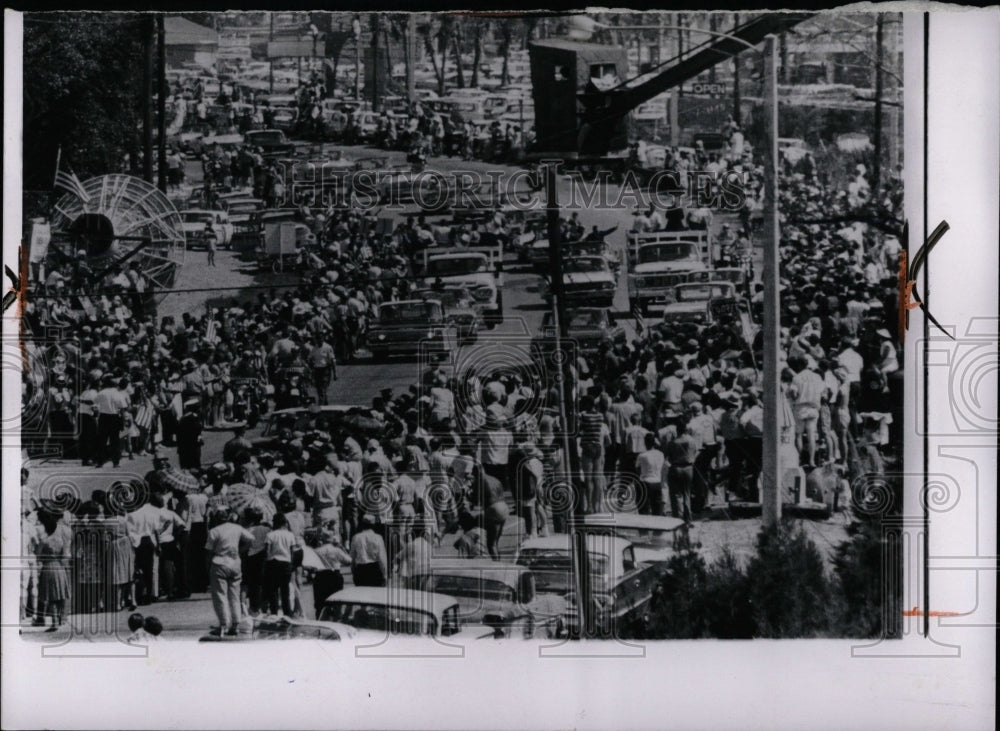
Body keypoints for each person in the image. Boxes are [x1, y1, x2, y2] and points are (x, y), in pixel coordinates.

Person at [204, 509, 252, 636]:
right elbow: (251, 539)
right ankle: (236, 623)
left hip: (219, 562)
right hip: (235, 562)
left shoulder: (214, 531)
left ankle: (224, 624)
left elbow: (208, 551)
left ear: (217, 518)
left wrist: (207, 565)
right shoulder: (237, 528)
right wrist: (241, 550)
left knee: (220, 595)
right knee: (234, 595)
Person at [36, 510, 71, 631]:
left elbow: (39, 556)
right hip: (59, 567)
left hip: (48, 568)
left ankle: (54, 622)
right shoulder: (60, 540)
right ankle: (62, 618)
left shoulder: (44, 541)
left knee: (51, 597)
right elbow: (65, 555)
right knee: (61, 595)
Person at [263, 512, 298, 617]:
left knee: (273, 591)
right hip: (286, 563)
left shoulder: (270, 535)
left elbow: (267, 552)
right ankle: (287, 613)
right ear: (285, 523)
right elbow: (292, 551)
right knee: (285, 591)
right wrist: (291, 564)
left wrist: (266, 564)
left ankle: (274, 613)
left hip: (273, 563)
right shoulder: (290, 535)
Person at [311, 529, 351, 617]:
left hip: (320, 576)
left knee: (320, 605)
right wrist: (342, 548)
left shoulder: (316, 551)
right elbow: (348, 561)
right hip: (335, 576)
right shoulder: (336, 550)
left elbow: (310, 566)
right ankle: (337, 620)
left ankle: (320, 621)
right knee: (337, 603)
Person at [350, 517, 387, 587]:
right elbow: (382, 557)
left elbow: (352, 557)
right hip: (374, 569)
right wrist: (385, 575)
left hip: (360, 569)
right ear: (374, 525)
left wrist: (353, 571)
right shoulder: (378, 537)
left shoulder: (356, 537)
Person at [636, 433, 666, 516]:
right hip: (657, 482)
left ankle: (644, 528)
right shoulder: (661, 454)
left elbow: (637, 469)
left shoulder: (641, 455)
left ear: (645, 443)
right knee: (657, 510)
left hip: (645, 482)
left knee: (643, 510)